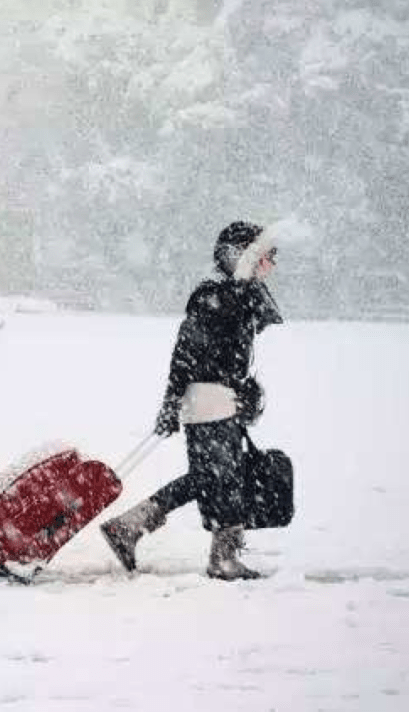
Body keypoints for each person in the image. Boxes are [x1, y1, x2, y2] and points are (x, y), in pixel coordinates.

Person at [101, 221, 283, 581]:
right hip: (207, 402)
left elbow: (229, 357)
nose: (271, 266)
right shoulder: (214, 297)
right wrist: (171, 402)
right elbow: (185, 354)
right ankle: (221, 559)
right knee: (223, 478)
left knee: (210, 477)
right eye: (265, 257)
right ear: (240, 257)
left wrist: (246, 389)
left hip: (221, 401)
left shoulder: (237, 296)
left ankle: (129, 527)